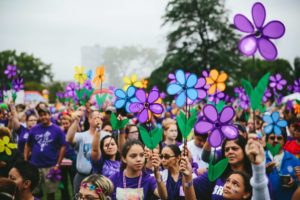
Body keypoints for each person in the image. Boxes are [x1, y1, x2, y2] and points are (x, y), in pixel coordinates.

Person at [180, 135, 252, 200]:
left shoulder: (253, 177)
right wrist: (187, 176)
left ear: (244, 150)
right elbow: (190, 186)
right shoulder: (217, 172)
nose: (230, 152)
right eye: (226, 150)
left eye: (234, 148)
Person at [24, 107, 66, 200]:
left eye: (45, 114)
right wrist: (26, 160)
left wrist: (58, 164)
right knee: (35, 192)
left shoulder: (57, 130)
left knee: (50, 193)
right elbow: (27, 145)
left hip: (50, 166)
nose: (43, 117)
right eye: (41, 115)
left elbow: (63, 146)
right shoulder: (34, 129)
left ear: (50, 115)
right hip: (35, 166)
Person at [66, 109, 103, 194]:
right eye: (96, 117)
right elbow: (69, 138)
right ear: (89, 120)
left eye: (100, 118)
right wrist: (76, 121)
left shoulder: (105, 135)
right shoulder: (82, 136)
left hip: (99, 177)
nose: (98, 120)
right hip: (82, 177)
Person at [265, 128, 300, 200]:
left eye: (279, 138)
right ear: (267, 140)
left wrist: (294, 183)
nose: (275, 140)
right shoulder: (260, 159)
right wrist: (264, 173)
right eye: (272, 138)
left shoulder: (294, 160)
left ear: (284, 141)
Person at [59, 113, 76, 200]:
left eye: (67, 123)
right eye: (63, 123)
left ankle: (75, 196)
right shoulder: (59, 133)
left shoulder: (74, 132)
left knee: (73, 180)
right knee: (63, 181)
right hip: (61, 159)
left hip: (72, 158)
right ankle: (65, 197)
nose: (65, 125)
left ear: (70, 123)